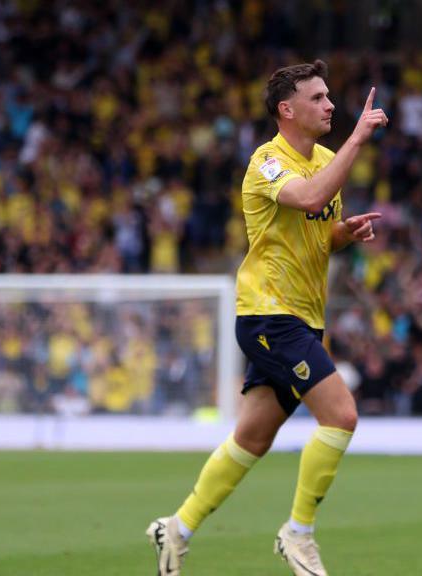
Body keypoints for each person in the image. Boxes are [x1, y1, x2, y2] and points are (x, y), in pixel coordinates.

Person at [147, 60, 388, 576]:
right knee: (341, 416)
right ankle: (297, 533)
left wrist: (346, 233)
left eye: (329, 96)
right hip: (268, 314)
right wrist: (358, 141)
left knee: (252, 438)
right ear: (287, 109)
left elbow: (317, 228)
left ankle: (177, 527)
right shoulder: (267, 162)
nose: (330, 105)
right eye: (318, 98)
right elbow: (309, 197)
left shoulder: (323, 158)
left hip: (303, 315)